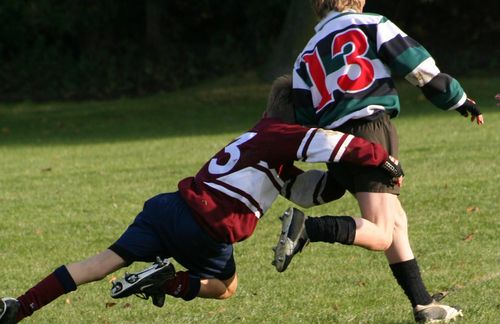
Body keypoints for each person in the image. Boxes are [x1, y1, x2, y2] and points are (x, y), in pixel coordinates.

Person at [0, 75, 404, 323]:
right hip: (207, 227)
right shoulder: (282, 134)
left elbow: (305, 192)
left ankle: (21, 306)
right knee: (226, 288)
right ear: (299, 116)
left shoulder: (258, 141)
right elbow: (332, 142)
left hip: (167, 207)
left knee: (99, 263)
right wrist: (382, 159)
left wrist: (339, 181)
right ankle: (170, 281)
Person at [273, 0, 484, 323]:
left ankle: (423, 304)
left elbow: (302, 116)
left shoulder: (305, 54)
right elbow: (416, 65)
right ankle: (307, 229)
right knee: (382, 231)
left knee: (396, 221)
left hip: (336, 142)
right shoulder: (372, 23)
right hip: (371, 130)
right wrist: (455, 98)